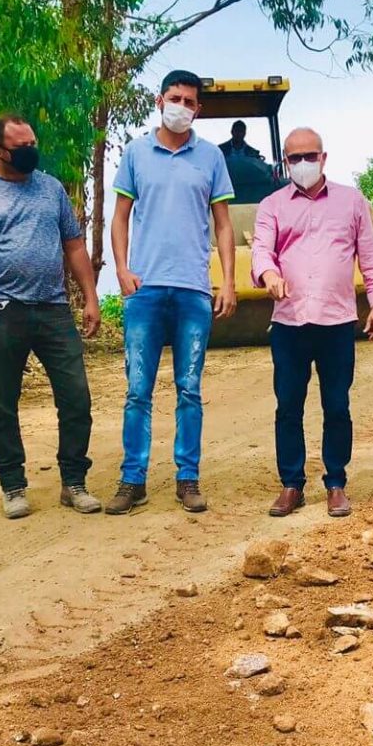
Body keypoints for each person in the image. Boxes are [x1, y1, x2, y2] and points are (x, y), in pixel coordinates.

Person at [0, 114, 102, 520]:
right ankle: (13, 486)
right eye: (21, 147)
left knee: (76, 398)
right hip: (1, 310)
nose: (31, 151)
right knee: (2, 403)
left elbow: (74, 246)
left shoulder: (51, 189)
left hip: (53, 309)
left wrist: (90, 298)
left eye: (33, 143)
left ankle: (74, 482)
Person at [108, 69, 237, 515]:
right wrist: (122, 269)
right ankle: (132, 480)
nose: (181, 106)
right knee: (137, 391)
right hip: (144, 289)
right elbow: (120, 216)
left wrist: (228, 281)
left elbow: (223, 224)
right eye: (175, 98)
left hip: (192, 290)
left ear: (198, 109)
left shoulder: (211, 158)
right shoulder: (136, 153)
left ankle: (188, 478)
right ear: (159, 101)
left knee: (189, 389)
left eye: (189, 101)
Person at [251, 127, 373, 519]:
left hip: (336, 321)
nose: (303, 164)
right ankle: (291, 484)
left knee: (337, 405)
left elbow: (370, 257)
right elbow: (261, 250)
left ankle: (336, 483)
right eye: (294, 158)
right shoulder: (272, 206)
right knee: (288, 406)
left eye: (309, 156)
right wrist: (268, 274)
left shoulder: (352, 201)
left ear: (323, 158)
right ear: (285, 163)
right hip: (290, 322)